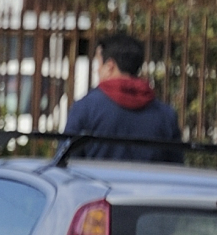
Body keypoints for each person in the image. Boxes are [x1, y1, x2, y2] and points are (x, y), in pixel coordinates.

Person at [66, 33, 181, 161]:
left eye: (98, 64)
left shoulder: (85, 108)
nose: (97, 70)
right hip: (149, 181)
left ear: (110, 66)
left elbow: (67, 162)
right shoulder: (166, 115)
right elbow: (175, 168)